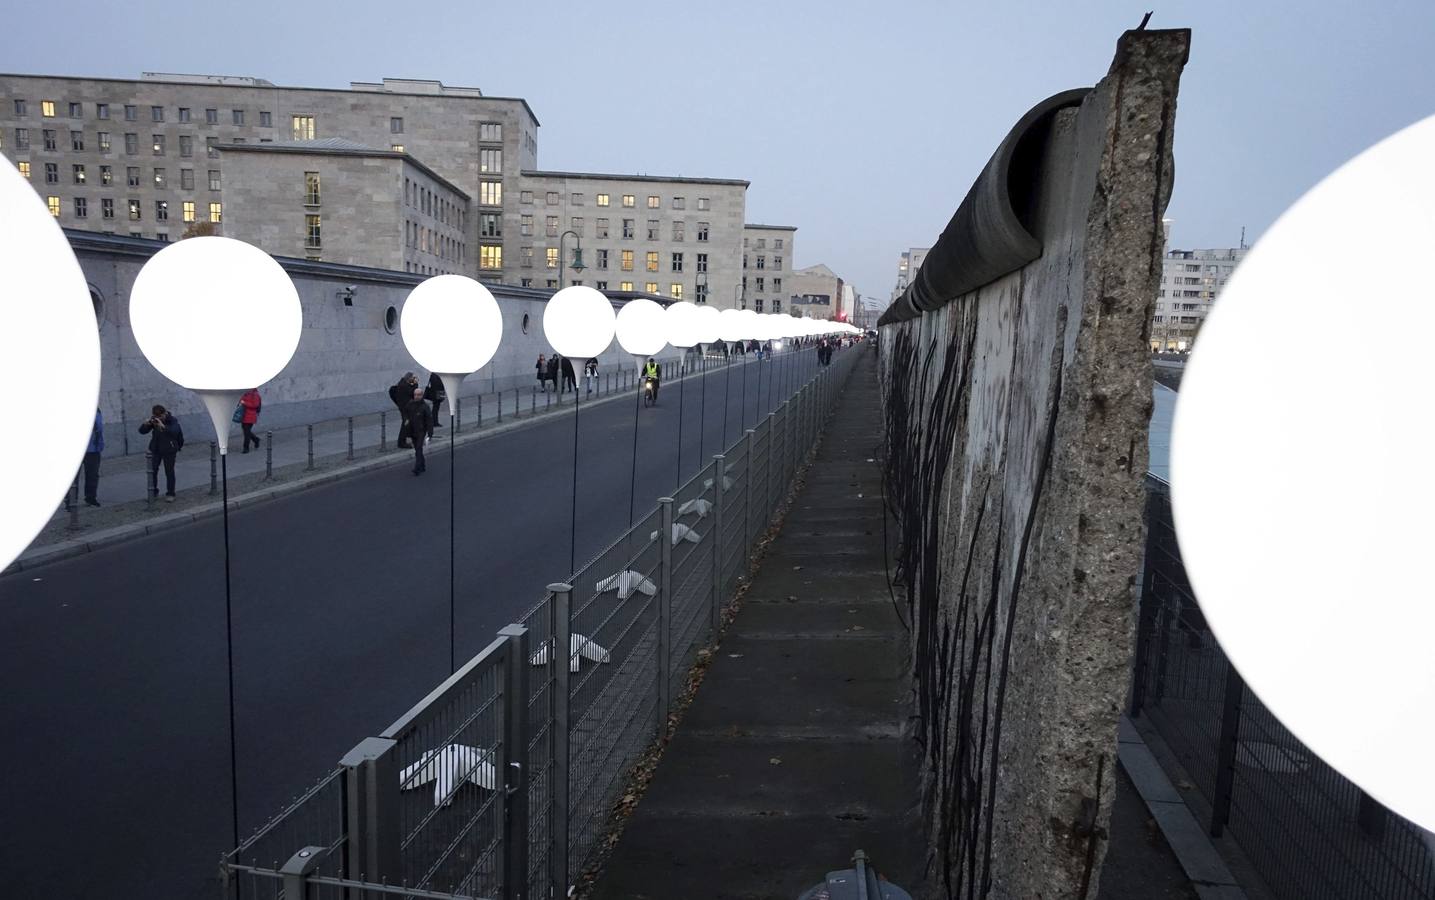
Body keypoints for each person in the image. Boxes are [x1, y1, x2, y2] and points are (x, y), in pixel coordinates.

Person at [138, 404, 183, 502]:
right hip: (155, 449)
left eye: (160, 416)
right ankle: (153, 492)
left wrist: (163, 426)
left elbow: (175, 431)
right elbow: (142, 431)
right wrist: (146, 425)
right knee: (152, 471)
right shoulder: (154, 420)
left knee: (169, 471)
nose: (159, 418)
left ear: (165, 413)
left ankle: (171, 494)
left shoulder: (172, 420)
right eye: (156, 416)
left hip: (169, 449)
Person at [404, 387, 433, 475]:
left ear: (422, 395)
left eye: (418, 395)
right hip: (412, 430)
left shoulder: (425, 406)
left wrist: (430, 434)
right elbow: (406, 417)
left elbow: (429, 420)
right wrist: (406, 433)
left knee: (419, 449)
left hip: (421, 431)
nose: (416, 396)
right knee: (417, 449)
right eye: (415, 395)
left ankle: (417, 468)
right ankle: (422, 465)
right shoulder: (410, 404)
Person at [390, 372, 418, 448]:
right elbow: (413, 393)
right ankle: (401, 442)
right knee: (406, 424)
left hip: (405, 407)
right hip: (405, 408)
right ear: (409, 378)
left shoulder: (403, 384)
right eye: (412, 378)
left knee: (408, 424)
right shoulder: (404, 385)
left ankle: (407, 440)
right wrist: (415, 384)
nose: (413, 379)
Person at [82, 407, 103, 507]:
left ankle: (91, 497)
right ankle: (70, 501)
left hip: (93, 449)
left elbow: (99, 429)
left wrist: (99, 445)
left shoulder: (97, 411)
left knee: (93, 475)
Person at [239, 388, 262, 453]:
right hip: (244, 415)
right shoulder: (245, 393)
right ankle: (256, 439)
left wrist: (244, 403)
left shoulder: (255, 394)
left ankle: (246, 448)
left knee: (246, 432)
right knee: (246, 431)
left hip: (251, 415)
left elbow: (255, 405)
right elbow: (241, 400)